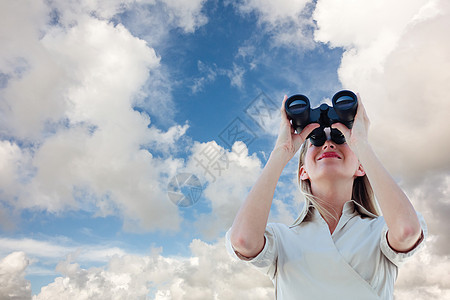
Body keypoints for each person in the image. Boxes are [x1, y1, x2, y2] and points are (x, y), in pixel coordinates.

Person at [225, 93, 427, 299]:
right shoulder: (282, 240)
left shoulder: (380, 232)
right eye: (316, 141)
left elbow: (406, 231)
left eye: (340, 139)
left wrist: (361, 144)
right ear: (303, 171)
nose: (328, 144)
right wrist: (281, 152)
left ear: (360, 166)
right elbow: (243, 240)